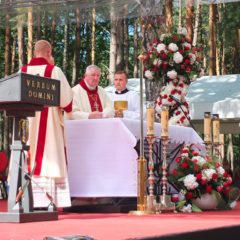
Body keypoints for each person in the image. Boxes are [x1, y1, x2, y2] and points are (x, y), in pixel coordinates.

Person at [21, 39, 73, 208]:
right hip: (50, 123)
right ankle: (52, 201)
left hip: (28, 121)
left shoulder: (22, 71)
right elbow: (66, 100)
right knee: (51, 154)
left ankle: (29, 200)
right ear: (49, 53)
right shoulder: (54, 70)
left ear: (35, 53)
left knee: (31, 154)